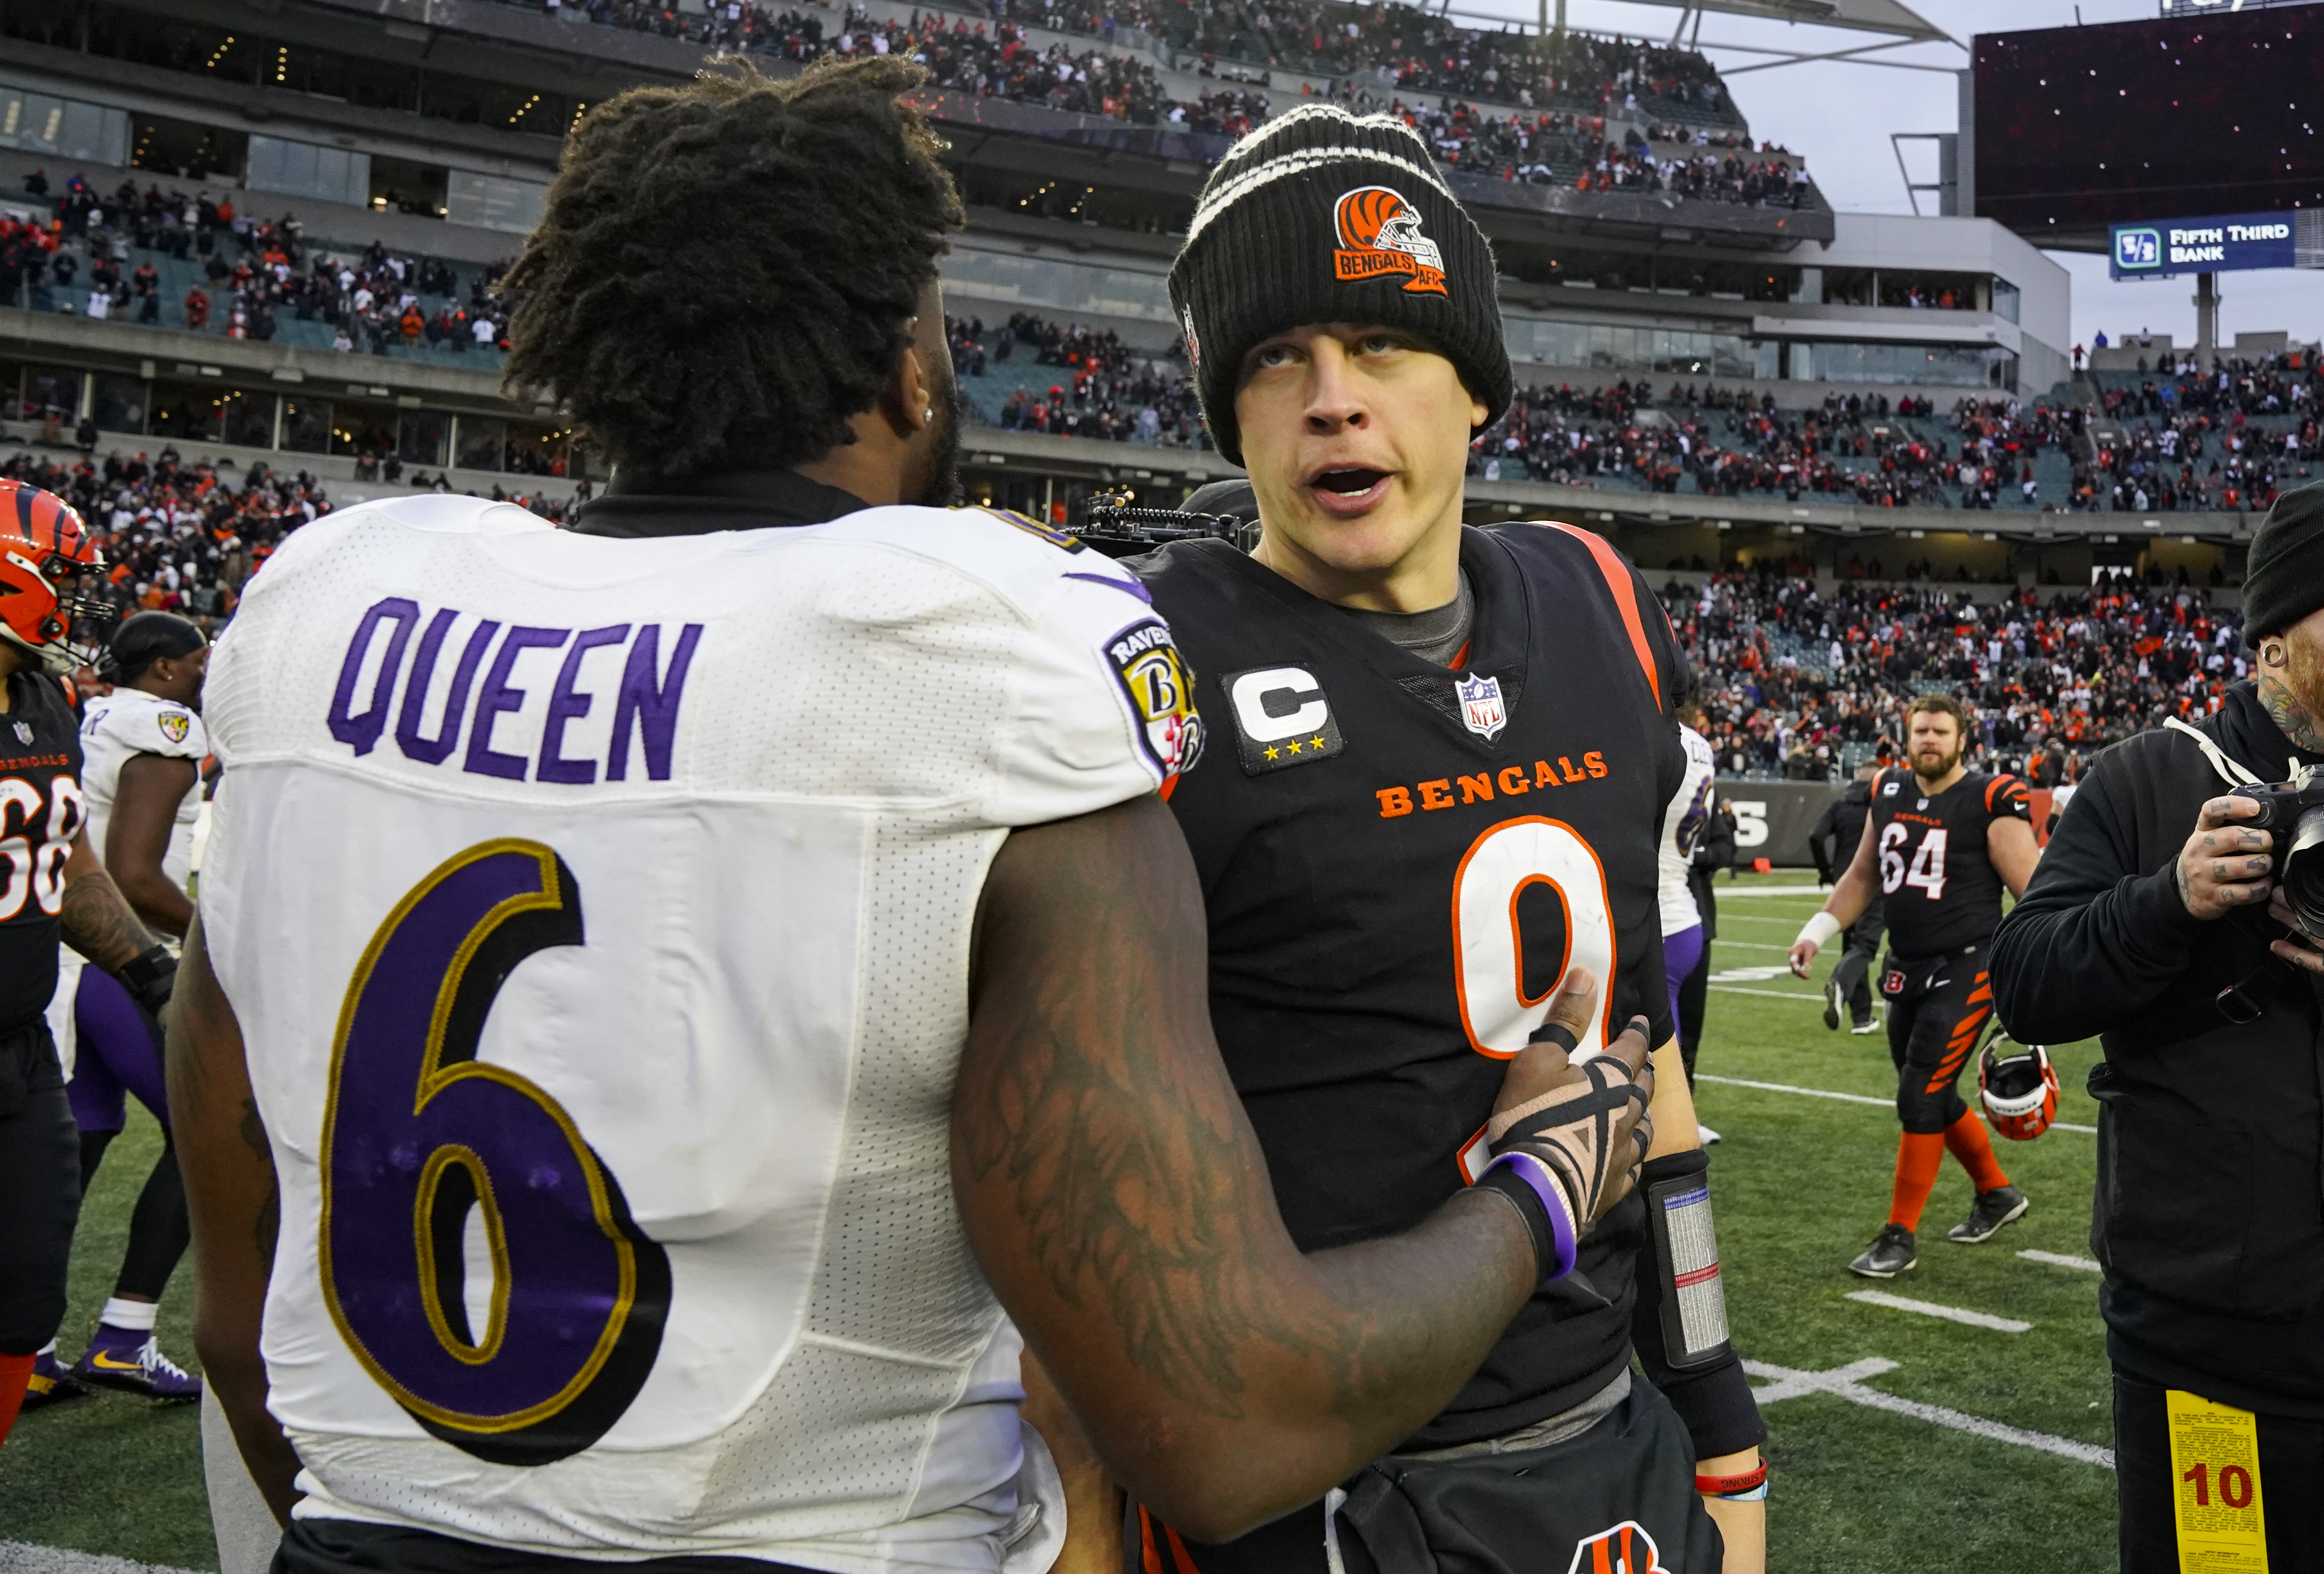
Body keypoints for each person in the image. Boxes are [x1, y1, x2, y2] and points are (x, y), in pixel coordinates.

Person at [167, 61, 1652, 1574]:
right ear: (908, 377)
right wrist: (1545, 1180)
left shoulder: (316, 617)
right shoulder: (979, 656)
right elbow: (1226, 1424)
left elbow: (236, 1325)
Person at [1120, 106, 1765, 1574]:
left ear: (1476, 388)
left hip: (1602, 1429)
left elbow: (1644, 1072)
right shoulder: (1143, 653)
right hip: (1313, 1460)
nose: (1333, 399)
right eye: (1277, 355)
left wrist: (1719, 1411)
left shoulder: (1597, 592)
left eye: (1383, 345)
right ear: (1227, 410)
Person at [1990, 481, 2324, 1573]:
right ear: (2276, 642)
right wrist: (2169, 897)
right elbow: (2026, 980)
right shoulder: (2155, 776)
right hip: (2208, 1352)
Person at [0, 478, 182, 1448]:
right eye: (65, 579)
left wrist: (155, 975)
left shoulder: (43, 695)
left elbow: (63, 857)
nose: (81, 604)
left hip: (24, 1042)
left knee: (22, 1310)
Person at [1786, 694, 2040, 1278]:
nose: (1928, 739)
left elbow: (2033, 891)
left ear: (1962, 739)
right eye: (1920, 730)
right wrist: (1816, 932)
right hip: (1907, 966)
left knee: (1919, 1094)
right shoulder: (1888, 789)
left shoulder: (1990, 797)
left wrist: (2037, 975)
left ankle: (1899, 1236)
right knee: (1930, 1090)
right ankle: (1997, 1194)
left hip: (1970, 964)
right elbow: (1863, 875)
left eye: (1940, 731)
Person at [27, 612, 211, 1409]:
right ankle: (126, 1336)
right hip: (115, 959)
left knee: (80, 1142)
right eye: (197, 660)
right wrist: (217, 935)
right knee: (206, 1134)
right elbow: (134, 875)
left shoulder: (92, 709)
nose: (206, 672)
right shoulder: (164, 724)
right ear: (166, 669)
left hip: (63, 963)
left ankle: (31, 1348)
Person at [1660, 715, 1720, 1142]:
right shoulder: (1702, 745)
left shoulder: (1655, 733)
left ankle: (1674, 1133)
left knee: (1660, 1044)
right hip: (1682, 910)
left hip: (1659, 914)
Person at [1806, 764, 1884, 1035]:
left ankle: (1861, 1017)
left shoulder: (1841, 804)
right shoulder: (1883, 804)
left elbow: (1816, 836)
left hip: (1845, 884)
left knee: (1853, 946)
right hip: (1877, 882)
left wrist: (1826, 871)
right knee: (1867, 945)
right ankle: (1843, 984)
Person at [1679, 790, 1737, 1087]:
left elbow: (1725, 845)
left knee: (1690, 1022)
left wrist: (1700, 856)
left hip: (1694, 918)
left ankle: (1684, 1110)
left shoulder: (1699, 796)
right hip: (1646, 920)